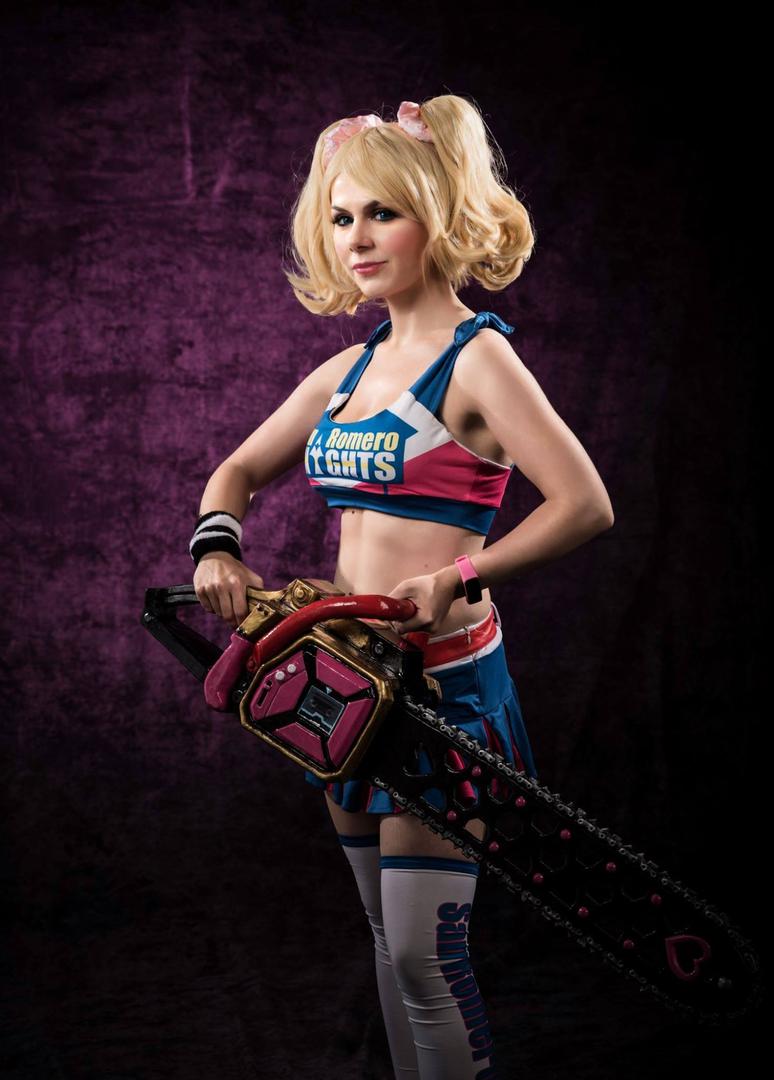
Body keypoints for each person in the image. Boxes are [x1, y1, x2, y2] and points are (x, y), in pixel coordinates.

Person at [190, 95, 614, 1080]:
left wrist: (461, 574)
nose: (357, 238)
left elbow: (586, 504)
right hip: (339, 685)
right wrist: (218, 547)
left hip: (443, 690)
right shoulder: (347, 370)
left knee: (427, 953)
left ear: (439, 215)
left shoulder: (481, 359)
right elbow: (237, 470)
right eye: (343, 216)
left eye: (383, 213)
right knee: (386, 938)